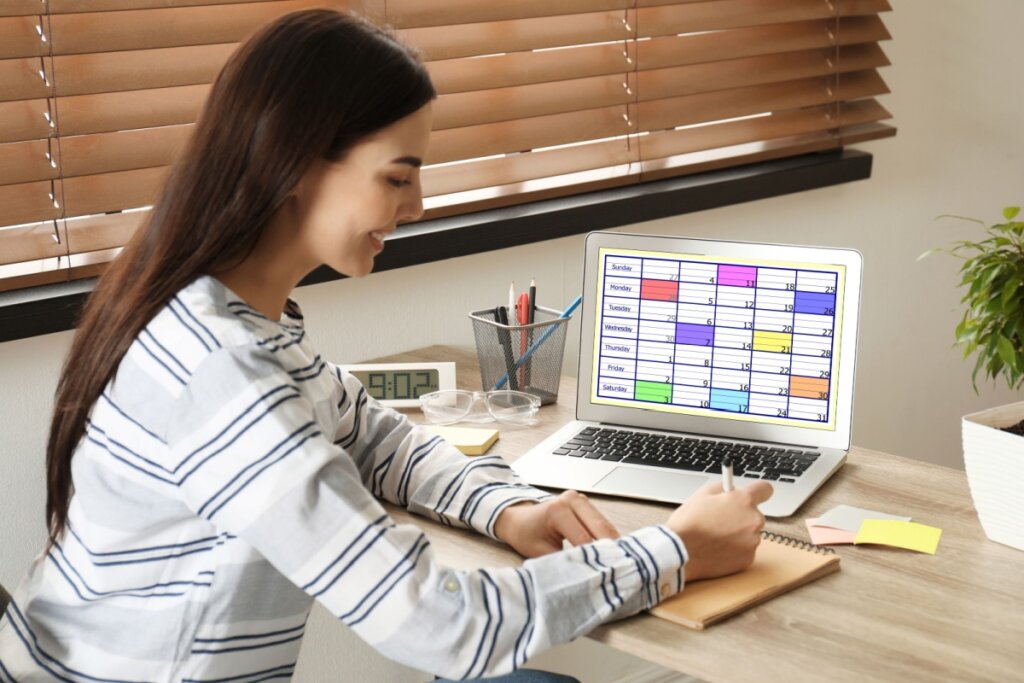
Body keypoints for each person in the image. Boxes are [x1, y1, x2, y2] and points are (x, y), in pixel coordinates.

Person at [0, 10, 772, 682]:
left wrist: (509, 510)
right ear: (295, 161)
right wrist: (674, 551)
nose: (419, 205)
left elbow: (374, 435)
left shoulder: (237, 320)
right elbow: (443, 625)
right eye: (398, 178)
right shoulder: (222, 372)